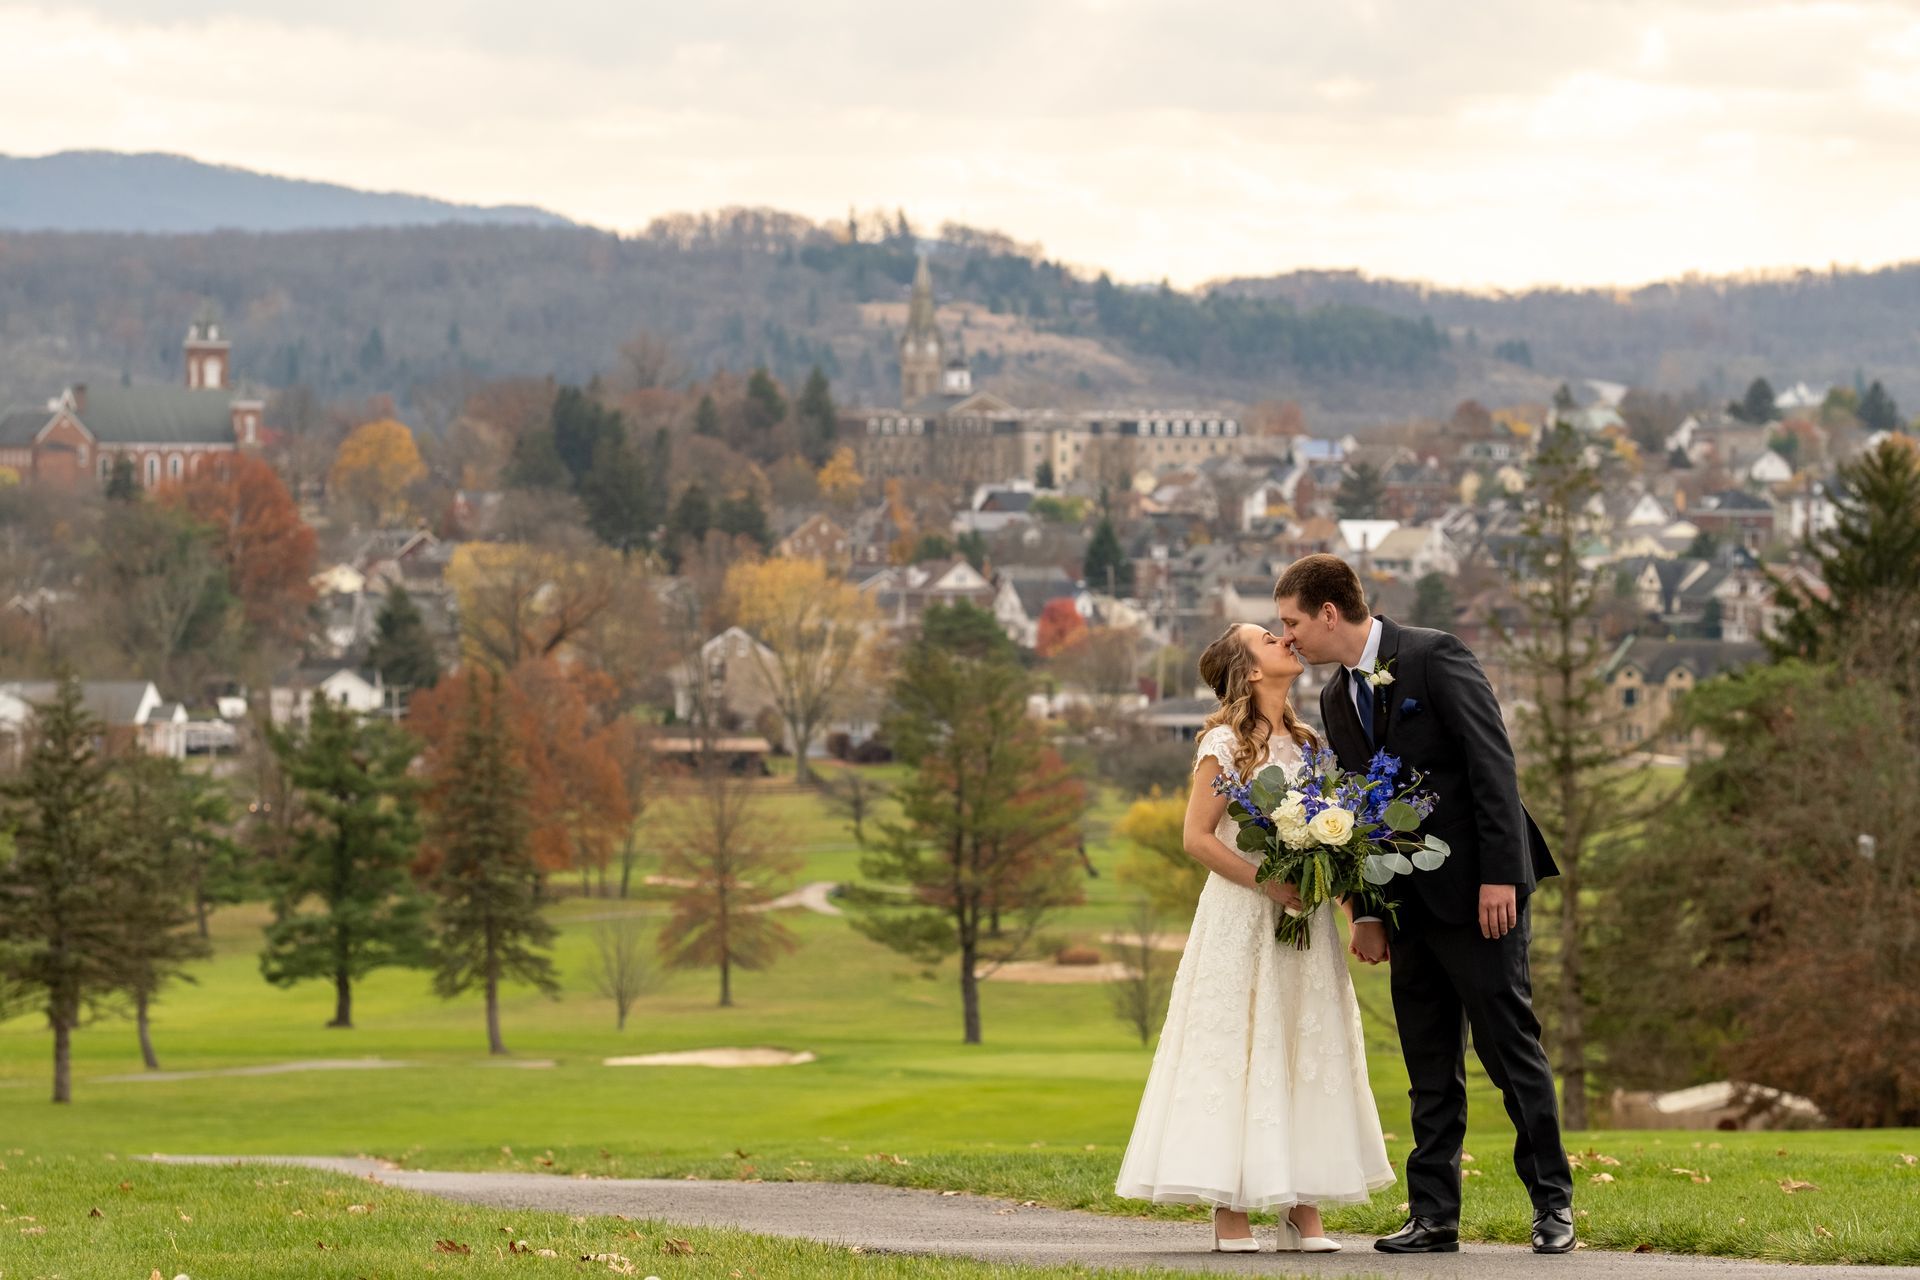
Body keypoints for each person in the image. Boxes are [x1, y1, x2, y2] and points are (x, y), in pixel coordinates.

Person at [1272, 554, 1575, 1256]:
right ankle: (1434, 1214)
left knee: (1509, 1052)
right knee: (1428, 1064)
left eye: (1291, 623)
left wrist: (1500, 875)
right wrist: (1367, 910)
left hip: (1479, 897)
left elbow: (1491, 764)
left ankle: (1553, 1205)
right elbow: (1354, 812)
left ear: (1328, 613)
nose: (1287, 639)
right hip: (1404, 907)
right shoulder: (1334, 699)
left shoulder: (1438, 658)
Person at [1115, 622, 1394, 1253]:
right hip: (1243, 916)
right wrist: (1267, 883)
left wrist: (1355, 911)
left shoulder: (1310, 743)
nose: (1284, 639)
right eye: (1268, 637)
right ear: (1249, 670)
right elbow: (1198, 838)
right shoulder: (1223, 743)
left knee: (1304, 1039)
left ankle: (1301, 1210)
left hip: (1307, 921)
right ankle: (1230, 1206)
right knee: (1240, 1042)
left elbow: (1338, 837)